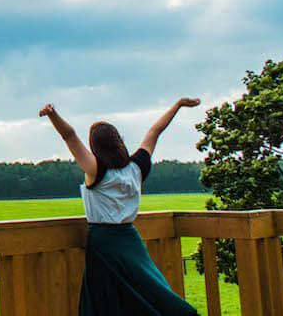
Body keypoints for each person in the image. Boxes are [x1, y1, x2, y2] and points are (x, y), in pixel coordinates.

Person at [39, 98, 201, 316]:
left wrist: (52, 114)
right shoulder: (136, 168)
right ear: (119, 143)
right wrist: (179, 104)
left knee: (108, 302)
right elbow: (155, 131)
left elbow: (69, 136)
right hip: (130, 239)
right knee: (150, 291)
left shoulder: (96, 170)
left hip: (104, 243)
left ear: (96, 148)